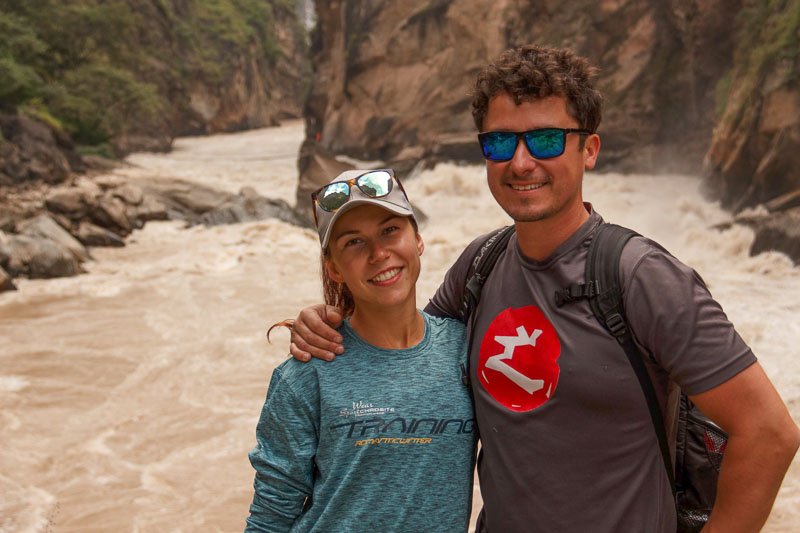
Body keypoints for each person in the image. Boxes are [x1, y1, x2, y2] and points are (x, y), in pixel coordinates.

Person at [286, 45, 800, 532]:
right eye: (501, 142)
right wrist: (330, 322)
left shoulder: (641, 277)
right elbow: (407, 347)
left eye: (548, 139)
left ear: (589, 149)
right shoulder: (480, 267)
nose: (522, 161)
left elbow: (769, 433)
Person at [244, 169, 477, 532]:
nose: (379, 253)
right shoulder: (308, 371)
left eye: (389, 230)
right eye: (354, 242)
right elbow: (271, 516)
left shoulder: (465, 351)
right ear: (333, 268)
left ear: (417, 240)